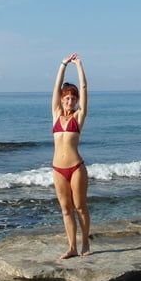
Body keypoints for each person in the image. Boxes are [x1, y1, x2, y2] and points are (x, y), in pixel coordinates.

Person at [51, 53, 90, 259]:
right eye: (67, 97)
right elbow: (55, 88)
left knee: (80, 207)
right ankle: (72, 247)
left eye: (73, 98)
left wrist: (79, 66)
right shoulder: (56, 114)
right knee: (66, 209)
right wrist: (63, 64)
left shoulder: (79, 116)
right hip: (57, 169)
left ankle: (85, 244)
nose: (69, 100)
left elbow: (83, 89)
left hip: (76, 167)